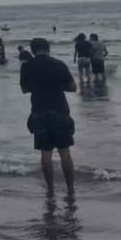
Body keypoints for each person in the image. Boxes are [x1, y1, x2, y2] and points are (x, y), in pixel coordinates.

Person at [20, 38, 77, 193]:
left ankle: (50, 188)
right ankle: (70, 188)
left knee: (45, 153)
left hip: (38, 112)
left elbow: (24, 90)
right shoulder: (58, 64)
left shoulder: (26, 67)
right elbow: (73, 87)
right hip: (59, 111)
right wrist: (58, 85)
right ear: (48, 48)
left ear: (32, 50)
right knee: (64, 151)